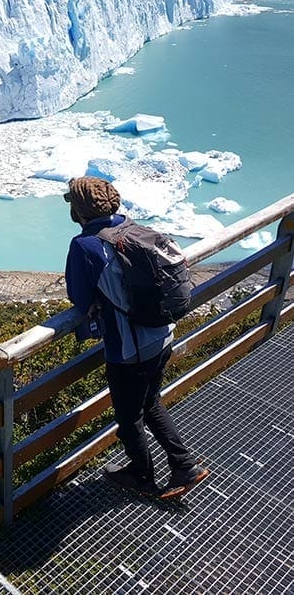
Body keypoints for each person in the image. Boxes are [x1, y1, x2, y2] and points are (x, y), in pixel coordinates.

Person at [64, 176, 209, 499]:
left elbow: (80, 298)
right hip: (162, 335)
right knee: (150, 401)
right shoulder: (132, 229)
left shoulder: (85, 245)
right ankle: (184, 464)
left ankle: (142, 475)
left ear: (79, 211)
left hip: (129, 348)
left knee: (128, 417)